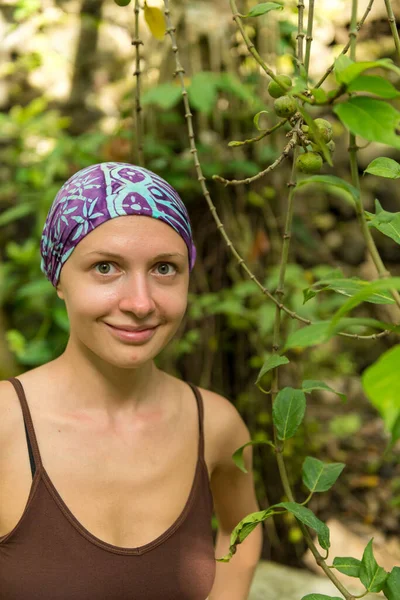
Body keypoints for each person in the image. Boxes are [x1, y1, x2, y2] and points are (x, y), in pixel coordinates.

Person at [0, 162, 262, 599]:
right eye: (106, 267)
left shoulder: (216, 425)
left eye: (164, 268)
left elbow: (243, 528)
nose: (140, 303)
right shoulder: (5, 426)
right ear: (58, 278)